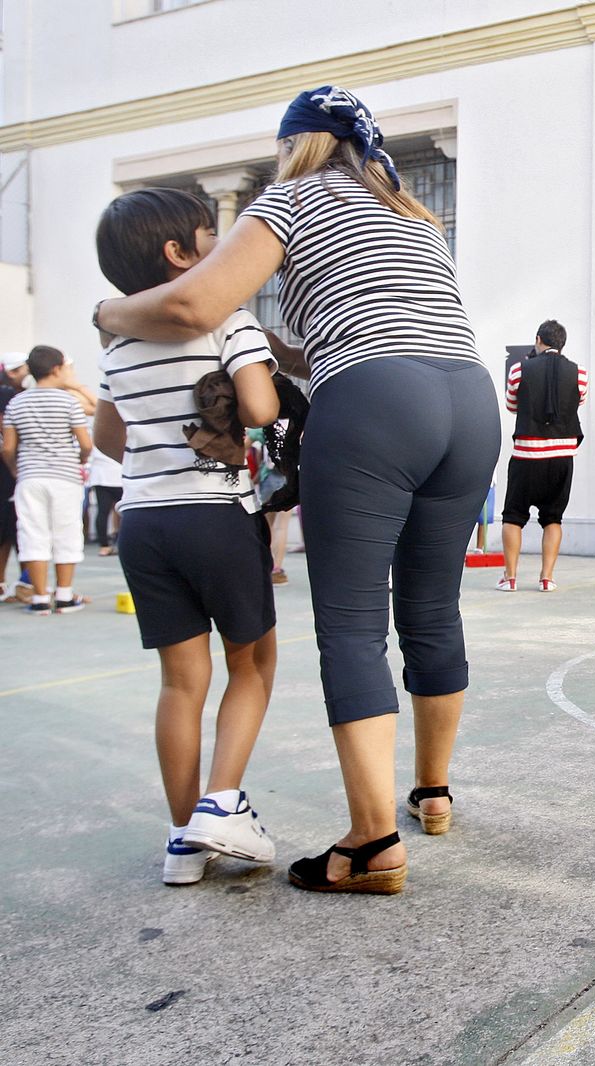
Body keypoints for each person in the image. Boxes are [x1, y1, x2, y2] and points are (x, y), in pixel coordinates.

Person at [94, 86, 500, 894]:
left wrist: (108, 311)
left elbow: (194, 302)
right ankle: (434, 791)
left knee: (351, 625)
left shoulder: (291, 196)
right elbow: (348, 331)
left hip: (378, 400)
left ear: (294, 146)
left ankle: (371, 843)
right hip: (469, 397)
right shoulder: (414, 213)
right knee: (432, 606)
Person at [92, 186, 283, 884]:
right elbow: (261, 404)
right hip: (214, 516)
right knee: (253, 663)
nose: (222, 251)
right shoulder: (227, 320)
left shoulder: (118, 342)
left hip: (143, 521)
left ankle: (181, 841)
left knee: (180, 684)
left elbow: (109, 438)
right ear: (180, 256)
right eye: (212, 239)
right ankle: (221, 804)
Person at [1, 347, 93, 615]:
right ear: (56, 369)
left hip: (30, 477)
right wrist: (80, 460)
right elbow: (85, 443)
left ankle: (40, 597)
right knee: (66, 533)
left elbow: (7, 448)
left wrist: (15, 469)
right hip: (64, 476)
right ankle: (64, 596)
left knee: (32, 534)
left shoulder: (16, 403)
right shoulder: (69, 402)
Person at [498, 320, 585, 593]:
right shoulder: (579, 373)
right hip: (561, 456)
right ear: (562, 343)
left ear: (538, 339)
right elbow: (577, 402)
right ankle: (547, 578)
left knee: (513, 516)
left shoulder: (518, 370)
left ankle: (510, 578)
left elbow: (512, 405)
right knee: (553, 518)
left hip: (527, 454)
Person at [248, 424, 293, 584]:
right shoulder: (295, 422)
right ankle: (277, 568)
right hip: (288, 478)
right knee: (282, 526)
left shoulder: (267, 425)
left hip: (269, 478)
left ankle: (265, 564)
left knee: (267, 525)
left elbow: (247, 441)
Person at [0, 351, 26, 599]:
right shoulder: (7, 395)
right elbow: (8, 441)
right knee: (14, 528)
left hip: (10, 470)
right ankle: (24, 585)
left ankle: (17, 584)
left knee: (12, 529)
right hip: (8, 472)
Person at [87, 448, 124, 556]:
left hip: (100, 475)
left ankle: (104, 546)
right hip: (118, 474)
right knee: (126, 511)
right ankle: (125, 542)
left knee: (103, 511)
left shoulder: (95, 432)